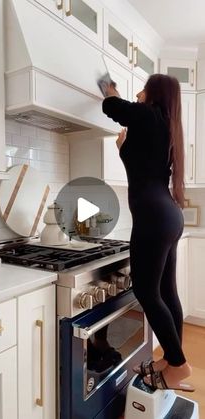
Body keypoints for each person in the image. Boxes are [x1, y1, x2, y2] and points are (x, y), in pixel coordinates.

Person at [102, 74, 194, 392]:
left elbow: (111, 105)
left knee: (146, 291)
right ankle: (171, 361)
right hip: (168, 215)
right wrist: (123, 147)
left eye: (143, 88)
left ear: (154, 93)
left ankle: (179, 365)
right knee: (167, 292)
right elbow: (140, 162)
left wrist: (108, 86)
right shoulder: (162, 124)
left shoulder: (149, 114)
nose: (138, 93)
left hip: (154, 218)